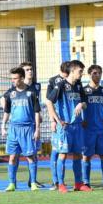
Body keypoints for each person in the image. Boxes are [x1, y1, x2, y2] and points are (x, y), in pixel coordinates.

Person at [45, 60, 88, 193]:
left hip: (77, 126)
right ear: (73, 70)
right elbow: (48, 101)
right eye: (80, 71)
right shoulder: (61, 85)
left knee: (78, 155)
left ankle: (78, 183)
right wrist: (57, 120)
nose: (82, 74)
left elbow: (85, 102)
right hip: (65, 127)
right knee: (62, 155)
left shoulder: (79, 86)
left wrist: (81, 104)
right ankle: (61, 184)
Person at [1, 67, 41, 191]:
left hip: (28, 128)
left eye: (15, 78)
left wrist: (37, 129)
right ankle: (12, 183)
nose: (13, 81)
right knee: (12, 156)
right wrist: (3, 126)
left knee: (30, 156)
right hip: (13, 129)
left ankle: (33, 183)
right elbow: (7, 112)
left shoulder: (32, 92)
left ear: (22, 78)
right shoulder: (10, 94)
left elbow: (37, 112)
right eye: (12, 78)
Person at [82, 65, 103, 190]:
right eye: (95, 73)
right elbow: (77, 106)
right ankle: (86, 182)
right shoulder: (83, 91)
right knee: (87, 156)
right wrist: (81, 120)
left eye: (99, 73)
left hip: (102, 129)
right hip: (88, 129)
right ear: (89, 74)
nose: (97, 75)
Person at [46, 61, 70, 190]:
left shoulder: (73, 81)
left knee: (63, 151)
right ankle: (55, 181)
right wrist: (52, 121)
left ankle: (61, 181)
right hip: (57, 120)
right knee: (56, 151)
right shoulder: (53, 81)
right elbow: (49, 101)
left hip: (68, 122)